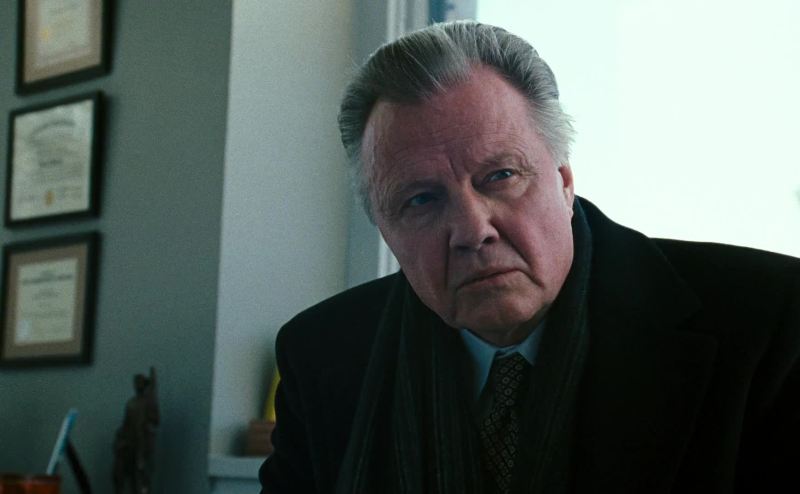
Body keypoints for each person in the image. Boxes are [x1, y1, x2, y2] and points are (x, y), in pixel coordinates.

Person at [260, 21, 799, 493]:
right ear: (383, 226)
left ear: (564, 180)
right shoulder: (322, 356)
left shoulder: (769, 321)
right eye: (421, 200)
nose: (473, 230)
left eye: (501, 176)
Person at [113, 367, 159, 494]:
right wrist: (121, 439)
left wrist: (147, 424)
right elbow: (125, 424)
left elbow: (155, 421)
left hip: (143, 444)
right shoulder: (131, 403)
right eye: (136, 383)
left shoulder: (149, 402)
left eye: (139, 383)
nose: (136, 385)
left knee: (142, 475)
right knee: (127, 475)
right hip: (130, 443)